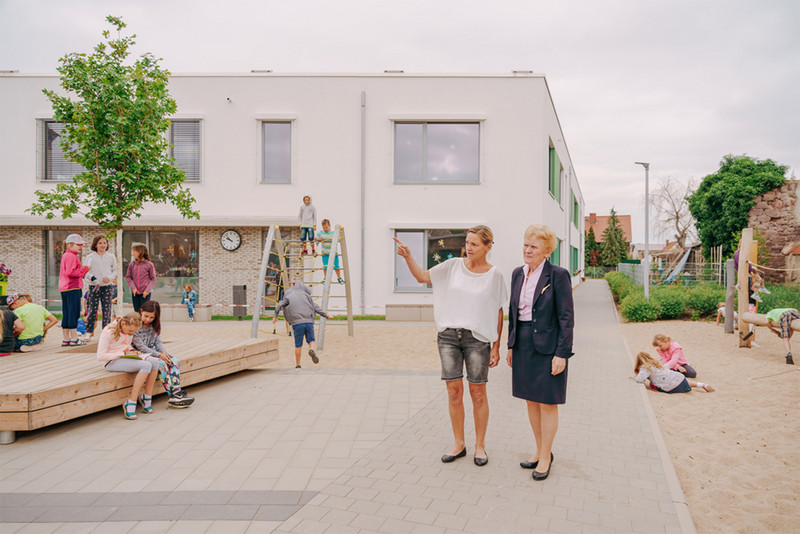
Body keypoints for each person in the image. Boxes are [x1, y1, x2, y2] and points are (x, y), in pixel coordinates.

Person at [395, 225, 507, 467]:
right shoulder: (453, 266)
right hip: (448, 336)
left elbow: (499, 310)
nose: (468, 247)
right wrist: (407, 256)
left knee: (478, 393)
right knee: (454, 392)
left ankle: (480, 446)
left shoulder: (495, 275)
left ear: (488, 247)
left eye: (474, 244)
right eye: (467, 242)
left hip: (478, 339)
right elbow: (422, 277)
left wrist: (496, 347)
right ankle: (459, 444)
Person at [506, 224, 573, 481]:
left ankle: (546, 455)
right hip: (523, 344)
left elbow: (566, 317)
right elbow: (514, 312)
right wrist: (511, 345)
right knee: (530, 400)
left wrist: (562, 354)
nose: (527, 250)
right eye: (525, 244)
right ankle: (538, 449)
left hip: (548, 347)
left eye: (533, 246)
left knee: (547, 402)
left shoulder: (558, 275)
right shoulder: (517, 274)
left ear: (547, 251)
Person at [96, 312, 160, 420]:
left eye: (134, 332)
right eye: (130, 331)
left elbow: (127, 345)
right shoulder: (108, 331)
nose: (131, 334)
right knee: (145, 366)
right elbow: (100, 356)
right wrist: (124, 354)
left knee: (155, 362)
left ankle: (147, 397)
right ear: (123, 323)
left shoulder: (128, 331)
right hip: (112, 362)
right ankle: (131, 401)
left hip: (125, 357)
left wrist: (132, 351)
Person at [132, 300, 195, 407]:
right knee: (161, 363)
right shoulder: (135, 326)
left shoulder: (154, 326)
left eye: (151, 317)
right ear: (141, 311)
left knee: (173, 361)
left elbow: (158, 342)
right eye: (146, 316)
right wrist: (159, 355)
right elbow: (141, 347)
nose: (148, 319)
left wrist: (163, 352)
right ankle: (173, 396)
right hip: (141, 354)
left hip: (155, 352)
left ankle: (177, 392)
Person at [273, 281, 329, 368]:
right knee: (311, 340)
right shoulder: (306, 296)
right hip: (308, 321)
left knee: (298, 345)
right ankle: (311, 350)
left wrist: (275, 316)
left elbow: (280, 304)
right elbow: (316, 308)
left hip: (297, 323)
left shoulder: (288, 296)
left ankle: (298, 364)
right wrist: (327, 316)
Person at [83, 235, 117, 338]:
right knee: (92, 309)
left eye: (105, 243)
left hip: (107, 286)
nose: (103, 245)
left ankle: (105, 333)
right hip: (94, 286)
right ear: (96, 245)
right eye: (100, 243)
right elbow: (86, 271)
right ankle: (89, 331)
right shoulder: (90, 257)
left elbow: (115, 270)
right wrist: (93, 278)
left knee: (107, 310)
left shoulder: (111, 256)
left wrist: (110, 278)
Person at [60, 234, 90, 346]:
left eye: (81, 244)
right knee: (74, 313)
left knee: (67, 313)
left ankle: (66, 339)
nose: (81, 246)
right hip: (73, 287)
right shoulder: (73, 257)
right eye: (78, 244)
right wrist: (85, 269)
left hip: (64, 288)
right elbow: (71, 272)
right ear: (70, 245)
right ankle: (74, 338)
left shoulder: (65, 255)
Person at [633, 352, 714, 393]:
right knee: (681, 379)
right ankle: (702, 385)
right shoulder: (657, 364)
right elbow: (667, 366)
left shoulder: (645, 367)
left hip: (671, 388)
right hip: (681, 379)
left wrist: (635, 377)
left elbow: (640, 379)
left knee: (651, 384)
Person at [125, 244, 156, 313]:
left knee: (144, 312)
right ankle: (138, 324)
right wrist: (133, 288)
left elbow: (153, 279)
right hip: (135, 293)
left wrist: (147, 290)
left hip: (145, 293)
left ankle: (145, 324)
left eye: (134, 252)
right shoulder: (132, 264)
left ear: (140, 252)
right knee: (136, 312)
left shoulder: (149, 264)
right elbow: (128, 277)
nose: (132, 254)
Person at [315, 219, 344, 284]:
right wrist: (319, 239)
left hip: (333, 253)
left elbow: (339, 237)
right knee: (325, 266)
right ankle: (325, 278)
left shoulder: (333, 232)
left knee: (336, 266)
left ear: (329, 226)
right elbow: (315, 237)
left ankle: (339, 278)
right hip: (325, 253)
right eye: (323, 227)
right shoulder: (321, 232)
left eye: (326, 227)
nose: (325, 229)